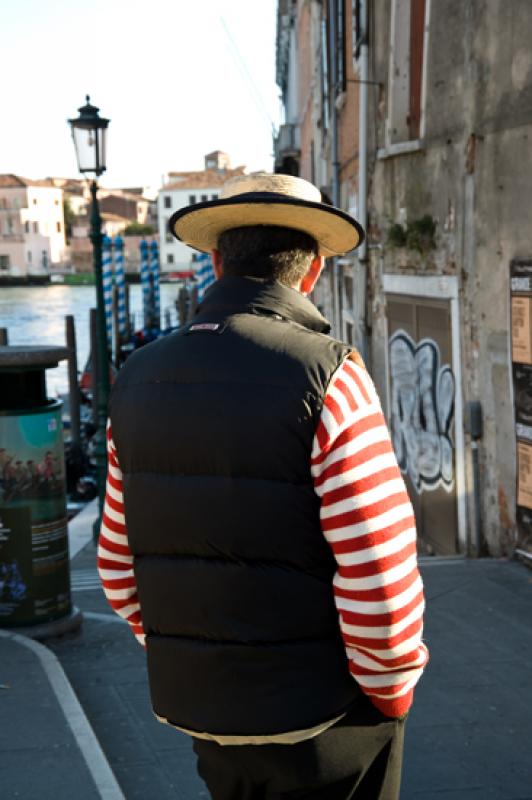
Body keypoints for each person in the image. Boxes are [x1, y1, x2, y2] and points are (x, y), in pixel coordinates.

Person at [97, 173, 428, 799]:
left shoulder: (135, 378)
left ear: (217, 261)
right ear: (313, 272)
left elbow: (117, 570)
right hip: (327, 718)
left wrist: (199, 657)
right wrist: (391, 689)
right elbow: (379, 572)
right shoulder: (330, 373)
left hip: (203, 712)